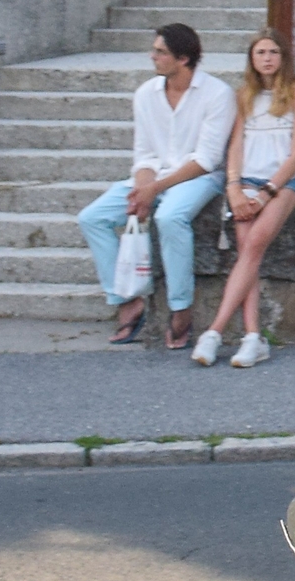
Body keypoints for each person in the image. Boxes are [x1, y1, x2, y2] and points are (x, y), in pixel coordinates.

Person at [79, 23, 235, 349]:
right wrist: (143, 190)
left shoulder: (217, 93)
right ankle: (126, 300)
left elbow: (207, 159)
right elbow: (145, 154)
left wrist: (156, 189)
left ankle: (181, 309)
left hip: (199, 178)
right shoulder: (146, 94)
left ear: (183, 58)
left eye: (160, 52)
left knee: (170, 218)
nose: (153, 57)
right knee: (92, 218)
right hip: (156, 177)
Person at [195, 29, 295, 368]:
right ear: (252, 59)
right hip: (246, 179)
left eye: (274, 52)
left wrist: (265, 194)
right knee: (246, 241)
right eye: (261, 52)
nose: (267, 58)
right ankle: (252, 337)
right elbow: (234, 147)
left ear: (283, 58)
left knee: (254, 243)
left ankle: (215, 331)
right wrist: (234, 189)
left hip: (286, 181)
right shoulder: (242, 96)